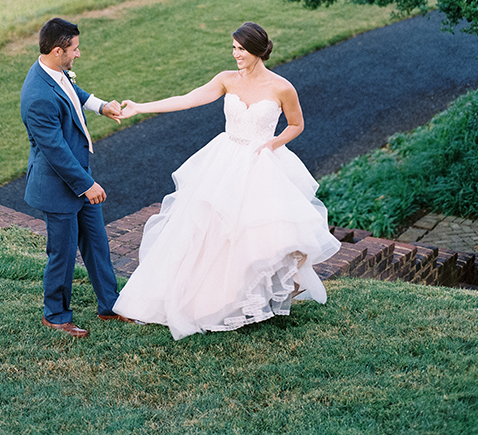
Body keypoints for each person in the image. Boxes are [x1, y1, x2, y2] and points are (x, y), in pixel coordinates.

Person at [114, 21, 341, 341]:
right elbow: (187, 99)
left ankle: (254, 295)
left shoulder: (282, 87)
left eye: (242, 50)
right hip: (224, 160)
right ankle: (198, 297)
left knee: (258, 233)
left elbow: (296, 125)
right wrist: (140, 107)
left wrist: (271, 145)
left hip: (260, 162)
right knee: (208, 229)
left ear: (259, 51)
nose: (236, 55)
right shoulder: (226, 80)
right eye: (233, 48)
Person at [21, 17, 134, 338]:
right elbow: (55, 150)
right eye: (75, 49)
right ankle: (55, 314)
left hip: (77, 177)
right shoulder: (37, 97)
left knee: (97, 243)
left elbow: (73, 91)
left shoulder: (53, 71)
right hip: (58, 186)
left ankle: (111, 305)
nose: (79, 54)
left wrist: (101, 106)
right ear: (58, 51)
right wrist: (86, 184)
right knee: (63, 252)